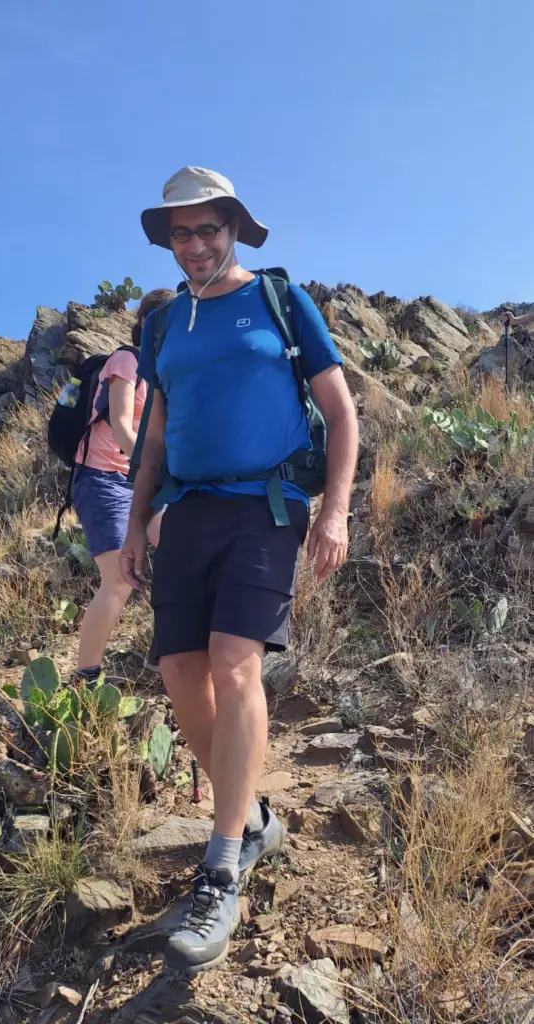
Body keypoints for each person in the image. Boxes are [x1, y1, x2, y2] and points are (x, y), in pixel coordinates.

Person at [121, 167, 359, 972]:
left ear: (233, 228)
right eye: (180, 233)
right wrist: (131, 528)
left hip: (267, 505)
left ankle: (221, 866)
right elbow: (154, 440)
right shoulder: (163, 329)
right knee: (182, 673)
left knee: (234, 663)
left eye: (207, 229)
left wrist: (334, 510)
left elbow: (339, 411)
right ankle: (250, 812)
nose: (194, 246)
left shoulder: (281, 303)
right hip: (185, 511)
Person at [71, 288, 174, 687]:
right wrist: (153, 469)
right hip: (103, 479)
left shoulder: (163, 375)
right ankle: (85, 677)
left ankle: (164, 644)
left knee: (180, 541)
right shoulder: (126, 361)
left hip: (140, 480)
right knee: (117, 579)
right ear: (146, 324)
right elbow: (120, 426)